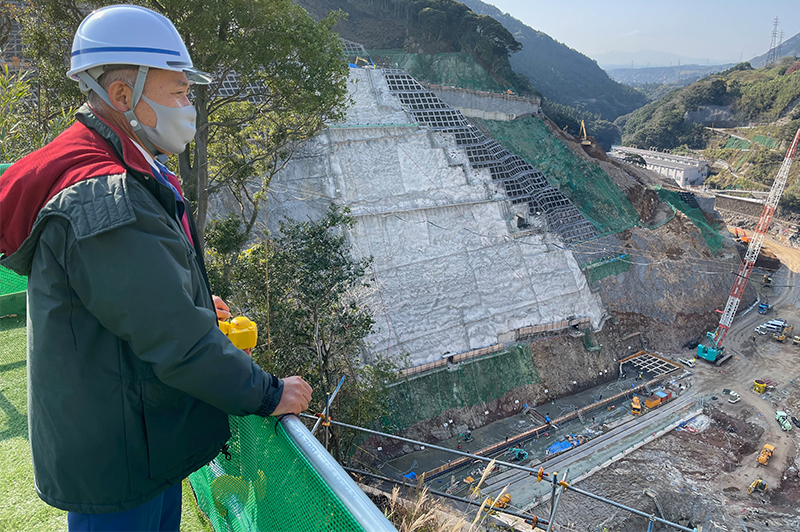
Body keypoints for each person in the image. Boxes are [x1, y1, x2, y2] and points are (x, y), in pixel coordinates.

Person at [0, 6, 312, 531]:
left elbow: (131, 297)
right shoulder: (103, 197)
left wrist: (186, 300)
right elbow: (174, 339)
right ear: (124, 97)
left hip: (133, 429)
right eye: (178, 92)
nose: (188, 105)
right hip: (119, 453)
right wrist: (269, 392)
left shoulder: (111, 164)